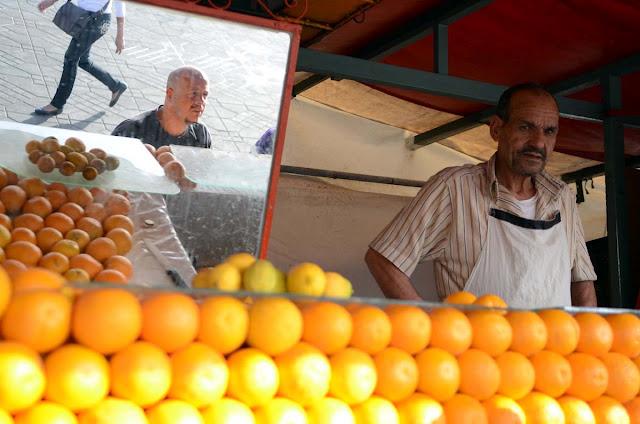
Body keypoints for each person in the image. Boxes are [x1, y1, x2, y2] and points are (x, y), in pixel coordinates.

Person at [365, 83, 597, 308]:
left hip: (553, 348)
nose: (538, 142)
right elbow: (384, 260)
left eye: (549, 131)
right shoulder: (454, 188)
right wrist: (429, 325)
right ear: (496, 129)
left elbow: (582, 281)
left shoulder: (562, 196)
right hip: (477, 347)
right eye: (525, 127)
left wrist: (587, 343)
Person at [35, 0, 128, 115]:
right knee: (83, 60)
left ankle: (57, 104)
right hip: (85, 16)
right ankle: (116, 85)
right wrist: (50, 2)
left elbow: (120, 4)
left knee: (71, 59)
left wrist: (120, 36)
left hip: (97, 20)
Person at [111, 66, 211, 149]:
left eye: (205, 95)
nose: (200, 102)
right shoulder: (131, 132)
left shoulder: (201, 134)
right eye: (193, 93)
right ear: (170, 94)